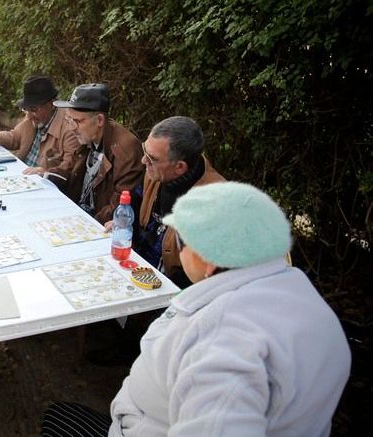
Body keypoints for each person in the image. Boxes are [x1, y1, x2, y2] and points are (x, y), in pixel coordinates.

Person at [42, 182, 351, 436]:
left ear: (210, 259)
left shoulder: (225, 343)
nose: (178, 252)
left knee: (58, 418)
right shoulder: (309, 306)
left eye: (181, 243)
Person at [111, 115, 225, 288]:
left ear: (179, 167)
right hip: (137, 265)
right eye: (144, 151)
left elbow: (201, 277)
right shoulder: (157, 172)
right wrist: (121, 224)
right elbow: (134, 203)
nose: (143, 161)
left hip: (171, 287)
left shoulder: (215, 205)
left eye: (152, 158)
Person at [53, 83, 144, 224]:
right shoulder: (88, 137)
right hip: (78, 214)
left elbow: (121, 205)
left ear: (100, 120)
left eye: (77, 121)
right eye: (69, 120)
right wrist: (46, 174)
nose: (72, 128)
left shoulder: (126, 150)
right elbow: (71, 172)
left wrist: (85, 224)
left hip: (98, 225)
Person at [0, 75, 79, 181]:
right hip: (23, 176)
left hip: (45, 184)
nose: (28, 115)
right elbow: (14, 136)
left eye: (33, 109)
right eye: (26, 109)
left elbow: (70, 168)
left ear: (51, 104)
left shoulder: (70, 128)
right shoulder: (32, 117)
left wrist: (46, 172)